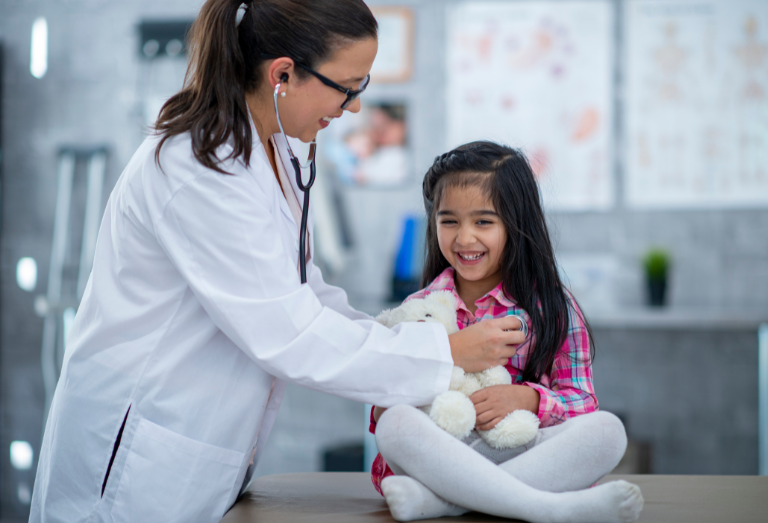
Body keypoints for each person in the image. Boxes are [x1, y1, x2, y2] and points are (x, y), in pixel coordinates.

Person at [29, 2, 526, 523]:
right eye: (347, 87)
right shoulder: (199, 169)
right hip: (134, 460)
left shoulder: (267, 152)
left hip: (193, 447)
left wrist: (407, 334)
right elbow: (288, 334)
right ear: (283, 73)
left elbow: (306, 295)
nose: (354, 107)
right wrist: (441, 353)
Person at [369, 142, 644, 522]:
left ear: (517, 224)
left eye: (483, 221)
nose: (464, 239)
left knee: (608, 431)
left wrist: (528, 400)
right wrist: (410, 384)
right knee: (396, 424)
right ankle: (545, 509)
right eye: (449, 221)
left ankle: (442, 503)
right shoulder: (418, 309)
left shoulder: (553, 307)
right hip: (441, 454)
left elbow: (582, 401)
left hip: (519, 449)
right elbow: (381, 407)